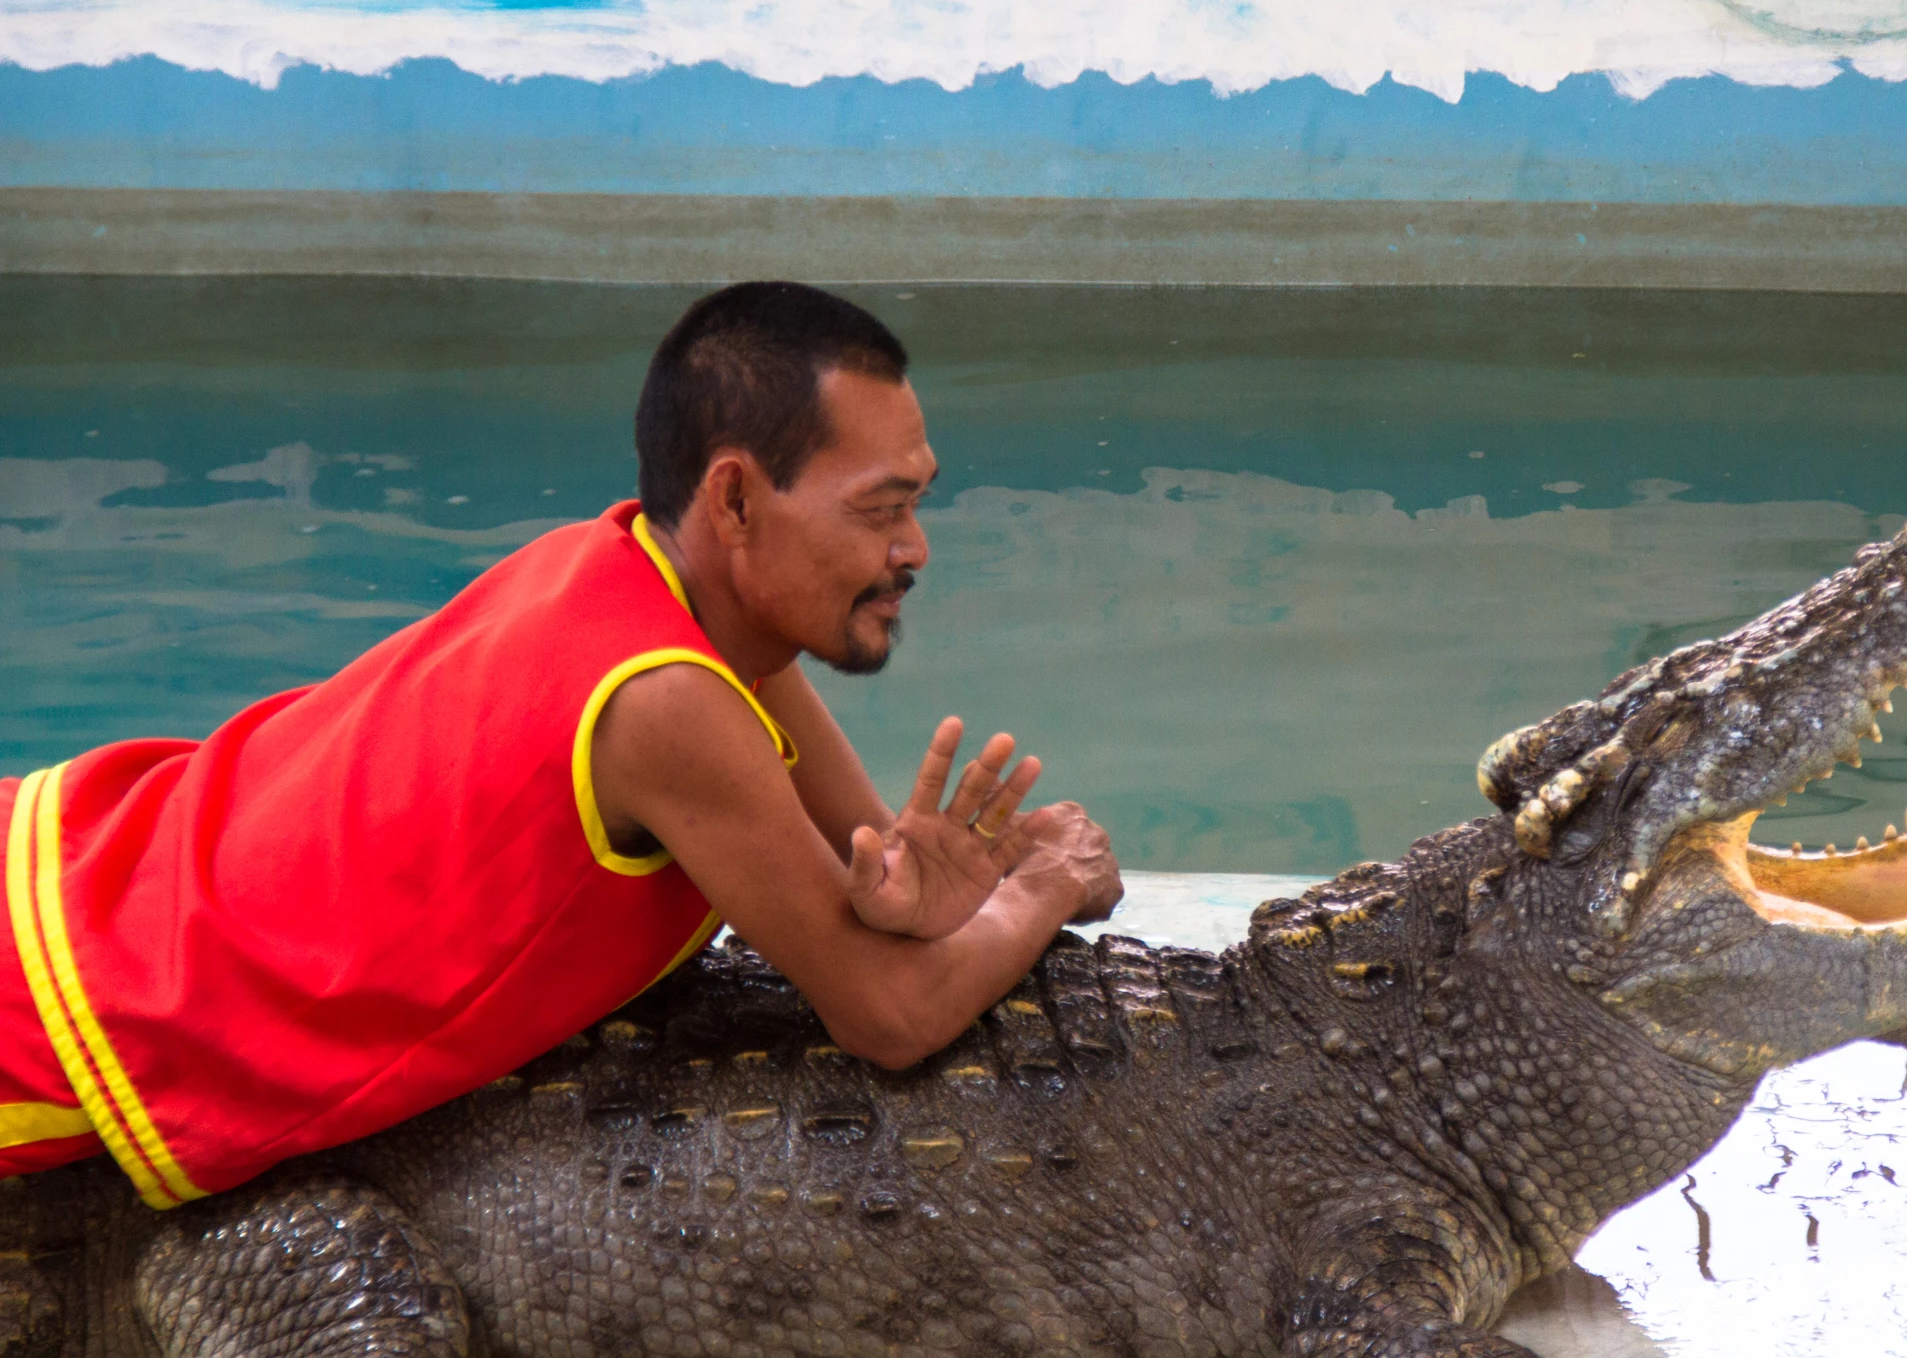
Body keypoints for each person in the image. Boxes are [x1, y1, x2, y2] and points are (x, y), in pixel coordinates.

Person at [0, 281, 1122, 1211]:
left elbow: (868, 887)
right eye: (879, 510)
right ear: (733, 501)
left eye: (917, 502)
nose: (914, 547)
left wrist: (925, 898)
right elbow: (890, 1014)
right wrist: (1047, 883)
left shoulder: (646, 572)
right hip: (59, 1004)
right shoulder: (671, 704)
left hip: (82, 847)